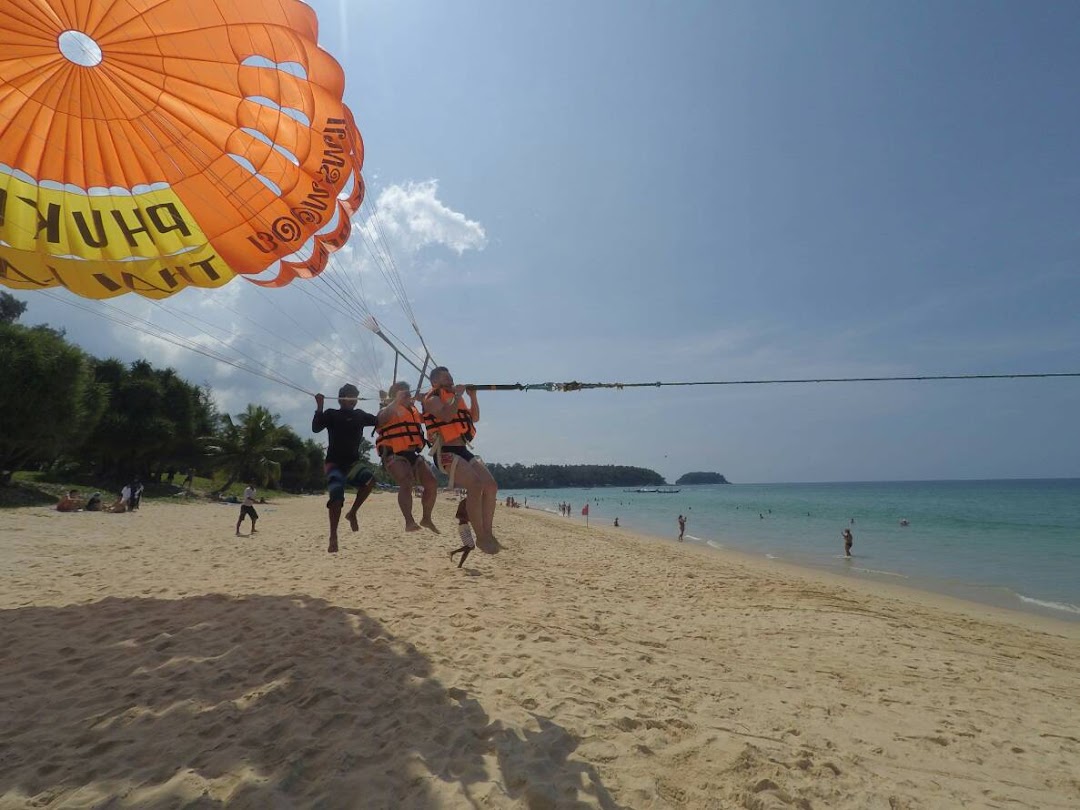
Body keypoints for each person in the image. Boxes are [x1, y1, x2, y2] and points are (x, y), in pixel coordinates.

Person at [422, 366, 498, 553]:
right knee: (475, 485)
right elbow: (447, 417)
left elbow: (475, 418)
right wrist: (457, 396)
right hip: (445, 451)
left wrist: (472, 396)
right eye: (445, 379)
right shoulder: (432, 400)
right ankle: (480, 537)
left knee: (490, 486)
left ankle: (488, 533)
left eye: (451, 378)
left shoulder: (457, 398)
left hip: (462, 449)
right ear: (434, 383)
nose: (450, 381)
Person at [312, 384, 378, 553]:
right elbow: (315, 428)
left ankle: (353, 512)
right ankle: (333, 536)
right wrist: (319, 406)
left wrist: (384, 404)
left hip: (352, 464)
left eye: (355, 397)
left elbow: (379, 420)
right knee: (336, 500)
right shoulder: (332, 414)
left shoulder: (360, 415)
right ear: (341, 398)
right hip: (334, 463)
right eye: (349, 396)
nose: (352, 400)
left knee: (370, 480)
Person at [376, 381, 440, 534]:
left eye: (407, 393)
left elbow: (429, 418)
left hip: (412, 453)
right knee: (406, 481)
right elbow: (381, 419)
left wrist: (425, 401)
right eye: (402, 393)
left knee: (431, 483)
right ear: (394, 395)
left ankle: (426, 518)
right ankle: (409, 521)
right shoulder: (387, 409)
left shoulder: (412, 411)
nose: (406, 395)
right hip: (393, 452)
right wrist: (394, 401)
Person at [449, 497, 475, 568]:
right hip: (462, 527)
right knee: (471, 546)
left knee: (468, 548)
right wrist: (469, 519)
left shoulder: (469, 503)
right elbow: (457, 515)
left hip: (465, 526)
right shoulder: (463, 502)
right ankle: (453, 552)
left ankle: (460, 565)